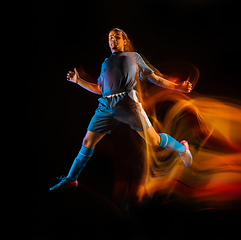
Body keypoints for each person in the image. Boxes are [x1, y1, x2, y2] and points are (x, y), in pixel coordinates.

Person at [50, 28, 193, 192]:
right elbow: (99, 88)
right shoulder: (106, 62)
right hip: (106, 106)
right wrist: (78, 81)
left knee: (153, 141)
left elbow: (156, 79)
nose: (112, 40)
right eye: (110, 37)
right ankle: (71, 179)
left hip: (128, 104)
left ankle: (182, 148)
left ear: (125, 40)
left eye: (117, 37)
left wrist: (178, 87)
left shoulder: (134, 58)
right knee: (87, 142)